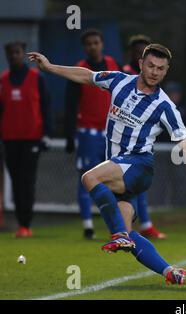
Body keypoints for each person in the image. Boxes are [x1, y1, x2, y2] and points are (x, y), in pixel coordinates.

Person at [28, 43, 186, 285]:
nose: (154, 72)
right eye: (150, 65)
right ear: (141, 64)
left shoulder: (164, 106)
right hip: (119, 168)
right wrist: (50, 67)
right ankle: (170, 272)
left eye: (161, 68)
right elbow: (86, 76)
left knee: (89, 178)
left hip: (139, 164)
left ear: (166, 72)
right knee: (128, 235)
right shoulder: (119, 80)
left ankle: (119, 235)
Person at [65, 29, 121, 240]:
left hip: (112, 133)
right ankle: (88, 225)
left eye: (96, 42)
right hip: (88, 132)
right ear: (84, 47)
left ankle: (115, 226)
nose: (92, 47)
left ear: (102, 43)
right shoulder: (79, 70)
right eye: (88, 44)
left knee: (114, 180)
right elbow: (70, 104)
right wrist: (70, 135)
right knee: (87, 177)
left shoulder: (114, 65)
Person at [0, 41, 51, 238]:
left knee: (27, 181)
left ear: (23, 54)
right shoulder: (3, 80)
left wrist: (46, 134)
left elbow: (46, 107)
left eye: (17, 52)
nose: (14, 56)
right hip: (10, 139)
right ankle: (21, 224)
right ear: (6, 55)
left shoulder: (37, 78)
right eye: (10, 53)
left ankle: (25, 224)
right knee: (15, 181)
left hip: (32, 139)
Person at [122, 34, 166, 240]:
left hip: (141, 141)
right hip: (120, 140)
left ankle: (140, 225)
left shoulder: (154, 84)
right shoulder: (124, 76)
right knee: (100, 182)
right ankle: (122, 227)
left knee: (137, 183)